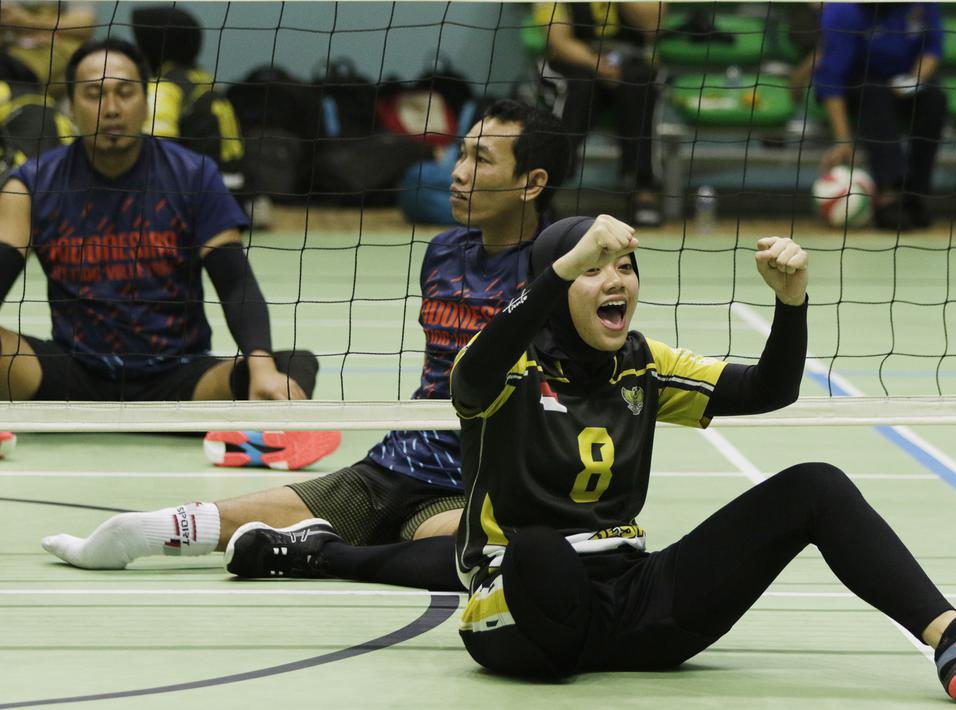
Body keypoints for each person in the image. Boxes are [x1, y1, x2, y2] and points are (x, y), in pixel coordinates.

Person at [434, 213, 956, 702]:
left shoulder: (643, 364)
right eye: (596, 267)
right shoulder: (505, 369)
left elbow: (769, 389)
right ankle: (566, 647)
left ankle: (952, 638)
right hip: (519, 606)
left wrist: (790, 300)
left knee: (813, 485)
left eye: (625, 267)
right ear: (561, 281)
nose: (616, 280)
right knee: (540, 549)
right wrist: (563, 264)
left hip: (633, 600)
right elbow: (476, 370)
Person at [42, 100, 574, 591]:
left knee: (495, 553)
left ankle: (320, 552)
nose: (458, 173)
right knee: (227, 517)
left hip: (479, 485)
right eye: (461, 153)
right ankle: (134, 533)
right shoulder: (443, 252)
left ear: (532, 184)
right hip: (397, 464)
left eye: (481, 160)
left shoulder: (561, 273)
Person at [0, 39, 331, 466]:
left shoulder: (192, 175)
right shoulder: (32, 182)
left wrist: (261, 364)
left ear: (145, 98)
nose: (111, 108)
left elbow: (235, 282)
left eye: (124, 92)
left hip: (181, 383)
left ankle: (255, 441)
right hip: (71, 379)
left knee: (288, 364)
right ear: (71, 104)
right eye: (94, 93)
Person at [814, 2, 946, 231]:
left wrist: (913, 80)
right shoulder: (842, 10)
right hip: (859, 83)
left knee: (934, 98)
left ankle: (915, 193)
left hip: (904, 80)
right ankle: (889, 192)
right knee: (874, 94)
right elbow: (831, 78)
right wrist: (844, 140)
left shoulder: (922, 6)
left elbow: (932, 49)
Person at [536, 2, 663, 226]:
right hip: (574, 60)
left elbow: (651, 26)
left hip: (629, 60)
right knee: (580, 89)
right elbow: (559, 39)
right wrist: (596, 64)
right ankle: (548, 190)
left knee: (640, 84)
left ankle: (643, 190)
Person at [131, 5, 246, 196]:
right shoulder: (204, 80)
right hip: (232, 191)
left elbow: (153, 157)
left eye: (140, 45)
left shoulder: (165, 89)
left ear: (154, 48)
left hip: (197, 197)